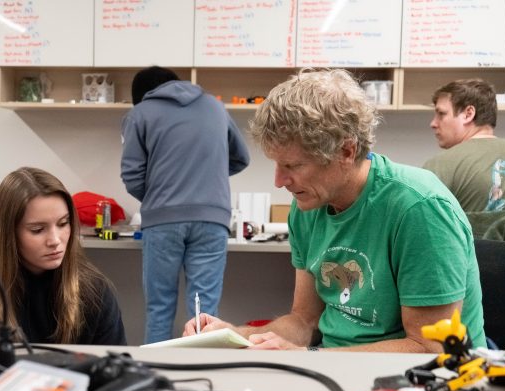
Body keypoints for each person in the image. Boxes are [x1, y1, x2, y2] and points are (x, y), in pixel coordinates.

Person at [184, 69, 485, 352]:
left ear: (346, 151)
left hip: (422, 383)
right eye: (277, 164)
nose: (279, 181)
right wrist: (234, 335)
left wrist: (310, 356)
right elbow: (304, 321)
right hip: (334, 367)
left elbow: (427, 348)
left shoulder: (419, 208)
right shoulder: (308, 205)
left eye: (294, 166)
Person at [121, 66, 250, 344]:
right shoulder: (215, 107)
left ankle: (157, 376)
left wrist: (161, 198)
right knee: (203, 312)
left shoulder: (140, 113)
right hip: (212, 220)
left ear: (142, 95)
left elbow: (132, 175)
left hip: (162, 222)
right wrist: (203, 182)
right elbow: (242, 158)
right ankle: (203, 370)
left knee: (159, 308)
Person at [0, 167, 126, 346]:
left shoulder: (94, 291)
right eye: (37, 230)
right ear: (9, 234)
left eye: (63, 223)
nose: (55, 240)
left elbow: (119, 367)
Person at [423, 78, 505, 212]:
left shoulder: (440, 166)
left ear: (468, 114)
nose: (433, 123)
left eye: (441, 114)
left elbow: (420, 226)